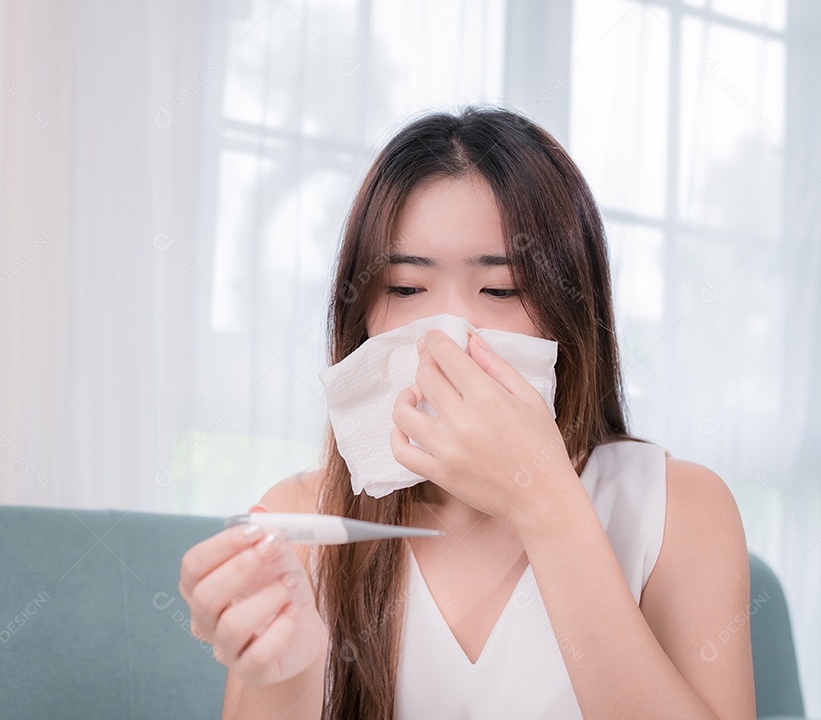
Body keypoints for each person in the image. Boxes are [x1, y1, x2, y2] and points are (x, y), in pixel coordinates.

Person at [179, 106, 755, 720]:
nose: (447, 336)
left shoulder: (680, 509)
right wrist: (285, 679)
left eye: (502, 291)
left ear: (572, 312)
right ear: (362, 316)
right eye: (405, 288)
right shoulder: (299, 520)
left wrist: (545, 502)